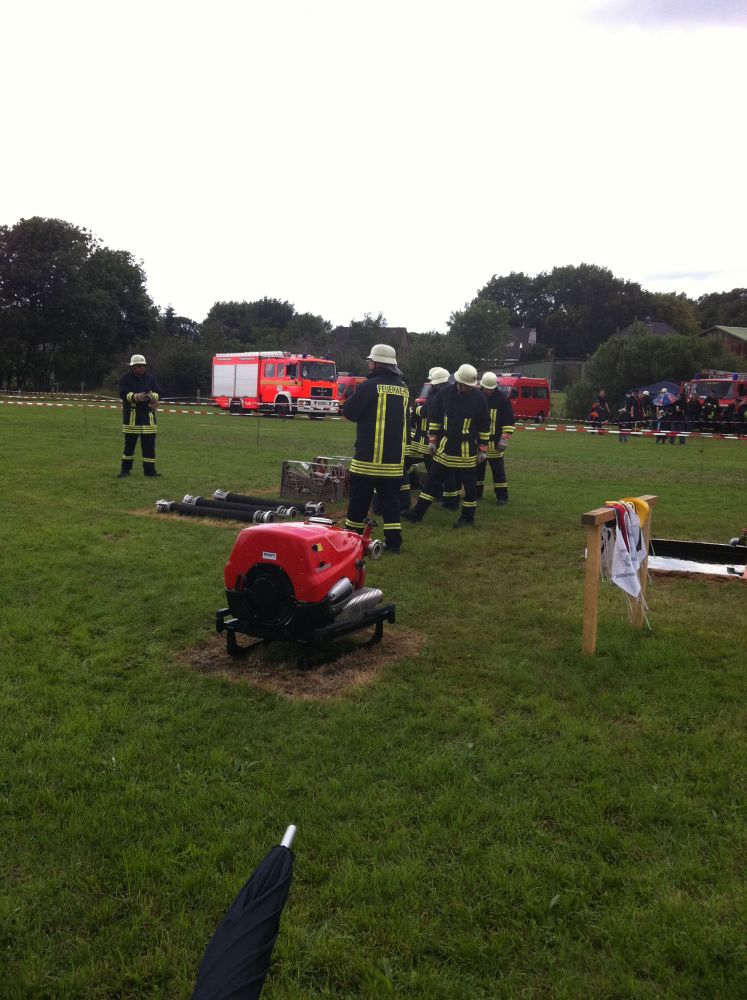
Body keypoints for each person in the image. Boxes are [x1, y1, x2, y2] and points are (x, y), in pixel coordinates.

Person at [402, 363, 490, 529]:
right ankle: (417, 514)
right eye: (466, 386)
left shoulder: (479, 398)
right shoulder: (445, 393)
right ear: (459, 382)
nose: (469, 389)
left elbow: (484, 425)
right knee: (432, 481)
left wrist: (482, 449)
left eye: (471, 386)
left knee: (470, 487)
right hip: (445, 447)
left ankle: (467, 519)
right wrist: (433, 441)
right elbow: (435, 418)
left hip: (466, 451)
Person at [342, 344, 409, 554]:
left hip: (368, 460)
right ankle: (394, 542)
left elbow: (350, 412)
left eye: (371, 361)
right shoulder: (404, 388)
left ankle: (351, 541)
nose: (369, 364)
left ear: (378, 364)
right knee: (390, 503)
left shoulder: (369, 386)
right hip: (394, 462)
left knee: (359, 502)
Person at [118, 354, 162, 477]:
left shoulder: (150, 378)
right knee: (129, 447)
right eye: (139, 366)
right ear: (133, 367)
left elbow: (159, 392)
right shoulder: (125, 379)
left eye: (143, 365)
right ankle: (125, 471)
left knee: (149, 447)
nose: (142, 368)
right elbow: (123, 393)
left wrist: (153, 397)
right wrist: (134, 397)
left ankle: (150, 471)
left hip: (148, 418)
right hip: (132, 418)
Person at [476, 372, 515, 504]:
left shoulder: (502, 400)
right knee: (477, 472)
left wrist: (504, 439)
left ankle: (502, 497)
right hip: (480, 443)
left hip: (496, 444)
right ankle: (476, 494)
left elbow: (509, 420)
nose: (488, 391)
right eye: (486, 388)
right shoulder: (477, 396)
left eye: (491, 389)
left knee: (498, 473)